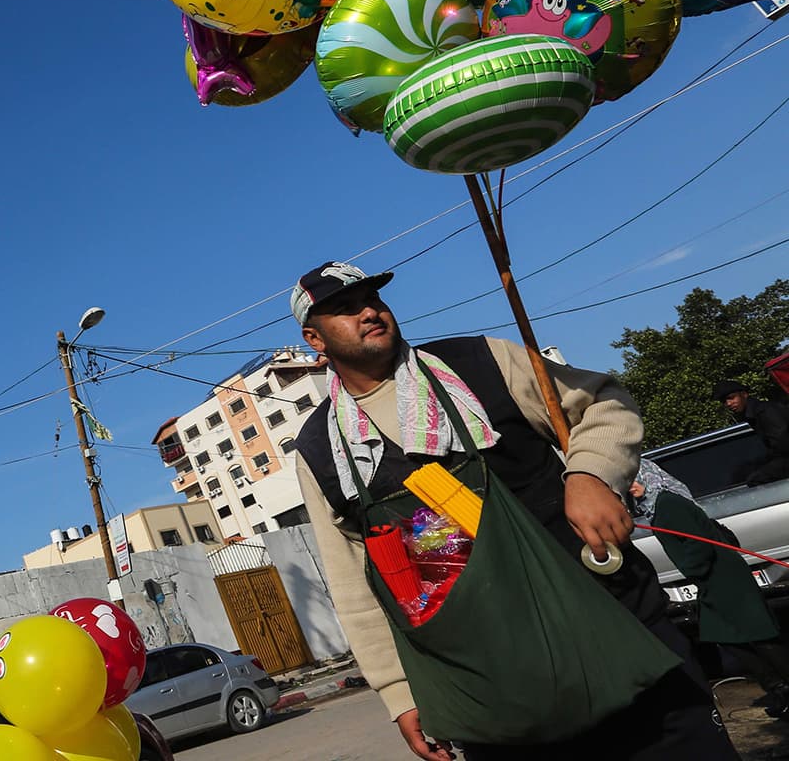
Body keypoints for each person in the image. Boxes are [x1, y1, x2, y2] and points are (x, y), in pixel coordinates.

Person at [289, 261, 737, 761]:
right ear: (316, 339)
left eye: (374, 299)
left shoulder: (480, 361)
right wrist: (398, 690)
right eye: (345, 309)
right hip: (493, 681)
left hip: (616, 627)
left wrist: (589, 474)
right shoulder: (320, 447)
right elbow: (355, 580)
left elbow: (601, 401)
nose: (369, 311)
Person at [640, 479, 789, 719]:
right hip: (711, 578)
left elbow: (697, 544)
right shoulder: (656, 507)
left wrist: (693, 568)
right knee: (722, 632)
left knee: (757, 632)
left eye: (634, 482)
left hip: (722, 574)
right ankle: (777, 687)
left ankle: (783, 686)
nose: (630, 487)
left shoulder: (667, 504)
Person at [714, 379, 789, 486]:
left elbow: (782, 442)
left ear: (744, 394)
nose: (728, 404)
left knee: (756, 479)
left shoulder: (764, 411)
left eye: (731, 398)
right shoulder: (752, 415)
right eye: (724, 402)